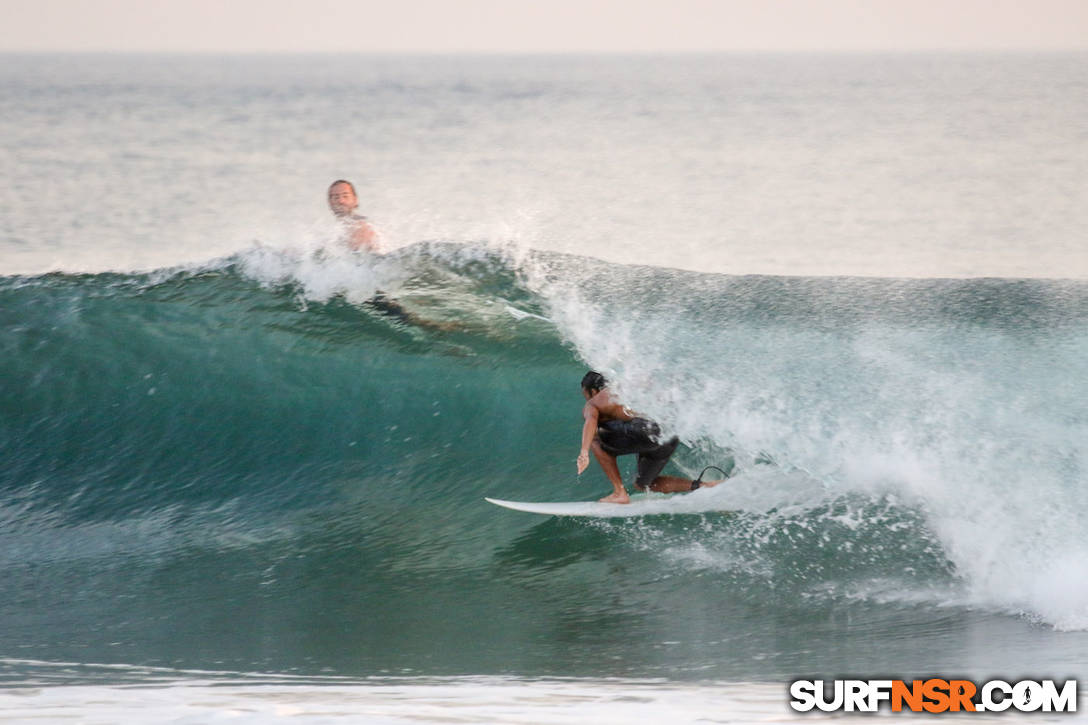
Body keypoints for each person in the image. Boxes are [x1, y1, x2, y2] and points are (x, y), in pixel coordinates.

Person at [576, 371, 726, 504]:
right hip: (669, 432)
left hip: (646, 431)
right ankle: (707, 486)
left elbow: (590, 422)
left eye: (586, 395)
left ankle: (619, 493)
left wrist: (584, 451)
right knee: (644, 484)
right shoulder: (624, 387)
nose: (586, 399)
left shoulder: (593, 403)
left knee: (596, 440)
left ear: (593, 391)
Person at [327, 179, 383, 253]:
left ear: (355, 200)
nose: (341, 201)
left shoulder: (361, 226)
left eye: (345, 196)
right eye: (336, 197)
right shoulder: (342, 227)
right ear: (330, 202)